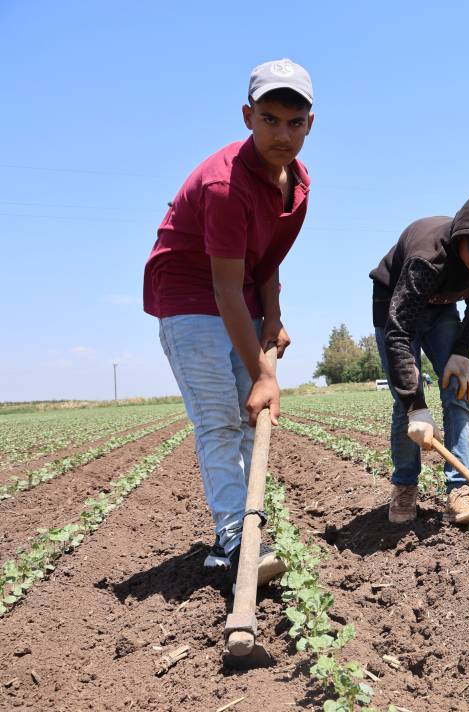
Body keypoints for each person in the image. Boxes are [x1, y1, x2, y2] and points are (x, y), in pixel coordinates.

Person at [143, 58, 315, 587]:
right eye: (270, 119)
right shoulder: (225, 185)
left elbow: (265, 260)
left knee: (248, 418)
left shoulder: (299, 184)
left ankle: (245, 524)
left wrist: (274, 316)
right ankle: (236, 535)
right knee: (219, 417)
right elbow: (222, 286)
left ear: (311, 123)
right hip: (189, 292)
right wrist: (264, 374)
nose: (282, 134)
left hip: (238, 290)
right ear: (247, 116)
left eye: (294, 122)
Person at [370, 187, 469, 525]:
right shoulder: (428, 256)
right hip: (395, 307)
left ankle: (459, 490)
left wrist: (460, 353)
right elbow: (398, 333)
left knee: (459, 390)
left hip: (441, 307)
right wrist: (416, 406)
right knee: (405, 404)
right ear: (459, 238)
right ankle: (405, 485)